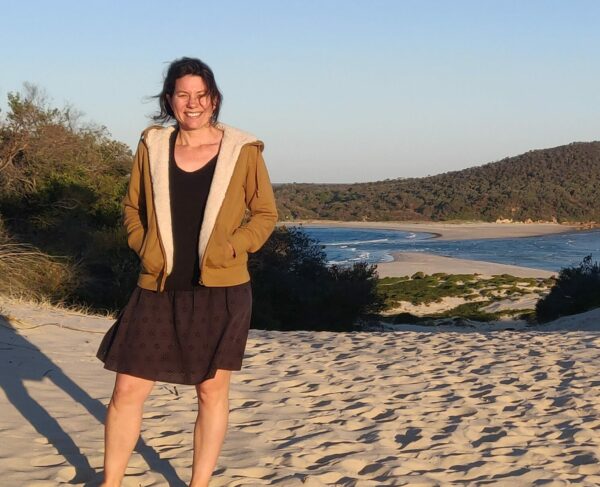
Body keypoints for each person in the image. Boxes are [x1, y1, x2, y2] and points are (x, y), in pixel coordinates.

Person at [96, 56, 278, 487]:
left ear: (213, 100)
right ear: (170, 100)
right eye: (183, 94)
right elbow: (132, 208)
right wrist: (145, 248)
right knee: (126, 391)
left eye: (200, 95)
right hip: (157, 286)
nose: (192, 103)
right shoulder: (152, 146)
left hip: (222, 287)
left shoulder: (243, 149)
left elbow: (265, 213)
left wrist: (235, 245)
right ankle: (111, 483)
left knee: (211, 392)